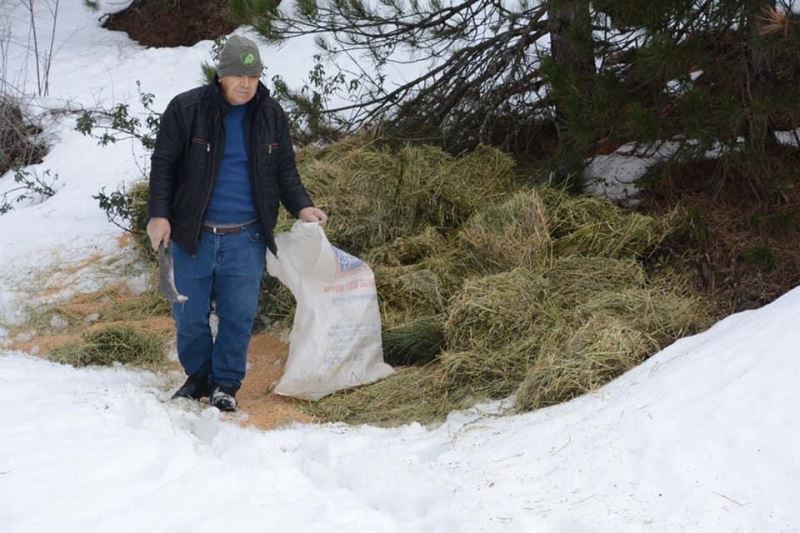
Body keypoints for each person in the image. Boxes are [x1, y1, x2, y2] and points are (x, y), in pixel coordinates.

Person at [146, 35, 327, 411]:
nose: (246, 83)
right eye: (237, 75)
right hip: (192, 235)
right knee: (189, 314)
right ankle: (198, 376)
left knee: (238, 315)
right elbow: (163, 164)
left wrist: (303, 208)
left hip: (245, 236)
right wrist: (159, 214)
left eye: (253, 75)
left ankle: (226, 384)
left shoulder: (270, 114)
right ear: (221, 75)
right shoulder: (187, 109)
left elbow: (284, 171)